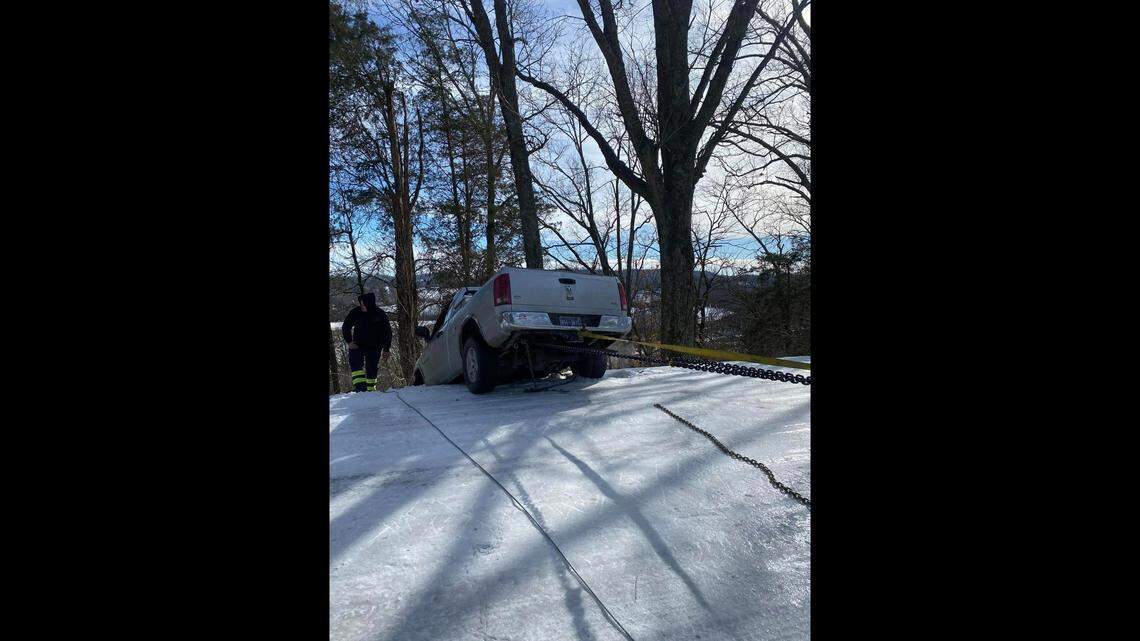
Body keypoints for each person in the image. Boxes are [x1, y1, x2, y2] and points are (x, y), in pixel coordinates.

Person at [342, 292, 392, 392]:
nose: (362, 306)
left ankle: (370, 390)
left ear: (369, 304)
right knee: (356, 365)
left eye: (363, 304)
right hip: (357, 345)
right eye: (361, 304)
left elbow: (388, 333)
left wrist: (386, 349)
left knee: (372, 368)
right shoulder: (355, 312)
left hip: (375, 346)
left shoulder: (380, 314)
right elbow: (346, 326)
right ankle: (360, 389)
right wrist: (349, 342)